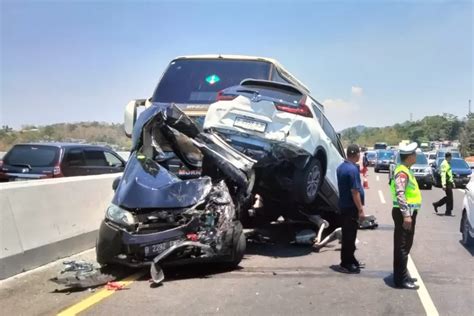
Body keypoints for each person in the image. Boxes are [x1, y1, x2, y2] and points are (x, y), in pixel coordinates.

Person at [390, 143, 421, 290]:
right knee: (402, 247)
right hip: (404, 214)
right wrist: (406, 215)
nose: (416, 156)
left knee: (405, 246)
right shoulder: (402, 172)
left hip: (407, 213)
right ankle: (400, 280)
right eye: (414, 154)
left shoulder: (406, 170)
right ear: (409, 157)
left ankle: (403, 274)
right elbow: (400, 193)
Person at [336, 144, 366, 274]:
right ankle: (345, 263)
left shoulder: (341, 167)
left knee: (350, 235)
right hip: (350, 207)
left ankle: (351, 259)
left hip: (344, 205)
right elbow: (355, 191)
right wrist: (360, 210)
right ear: (357, 154)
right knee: (349, 237)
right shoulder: (352, 170)